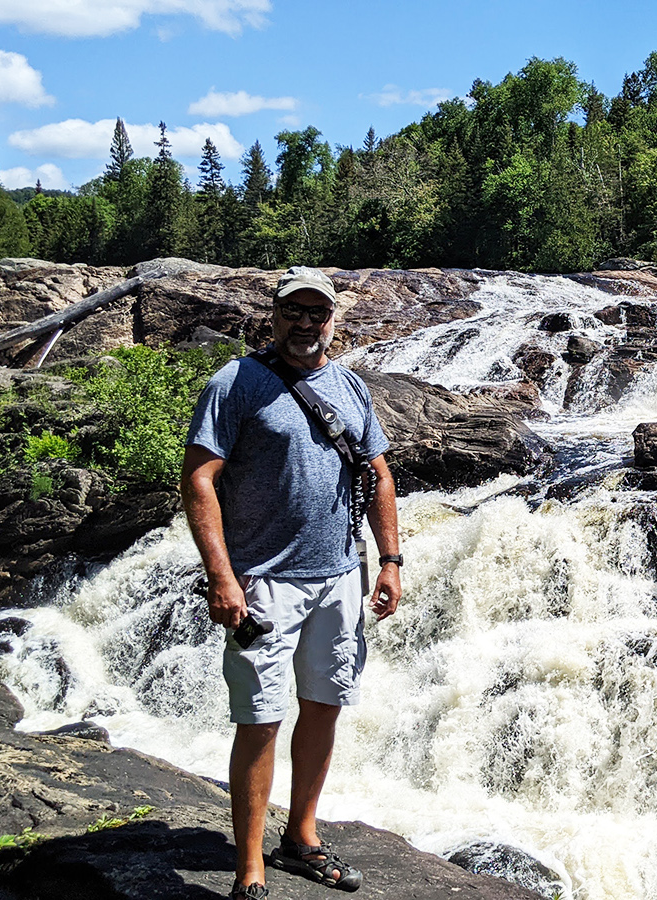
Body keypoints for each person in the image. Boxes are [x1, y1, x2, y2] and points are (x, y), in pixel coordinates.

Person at [180, 266, 402, 899]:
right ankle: (249, 867)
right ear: (273, 316)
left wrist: (389, 560)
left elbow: (378, 474)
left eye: (318, 314)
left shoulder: (350, 387)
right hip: (263, 583)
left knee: (325, 705)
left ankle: (301, 837)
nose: (306, 324)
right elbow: (200, 479)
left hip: (339, 576)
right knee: (260, 720)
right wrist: (221, 578)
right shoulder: (237, 383)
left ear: (333, 320)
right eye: (294, 312)